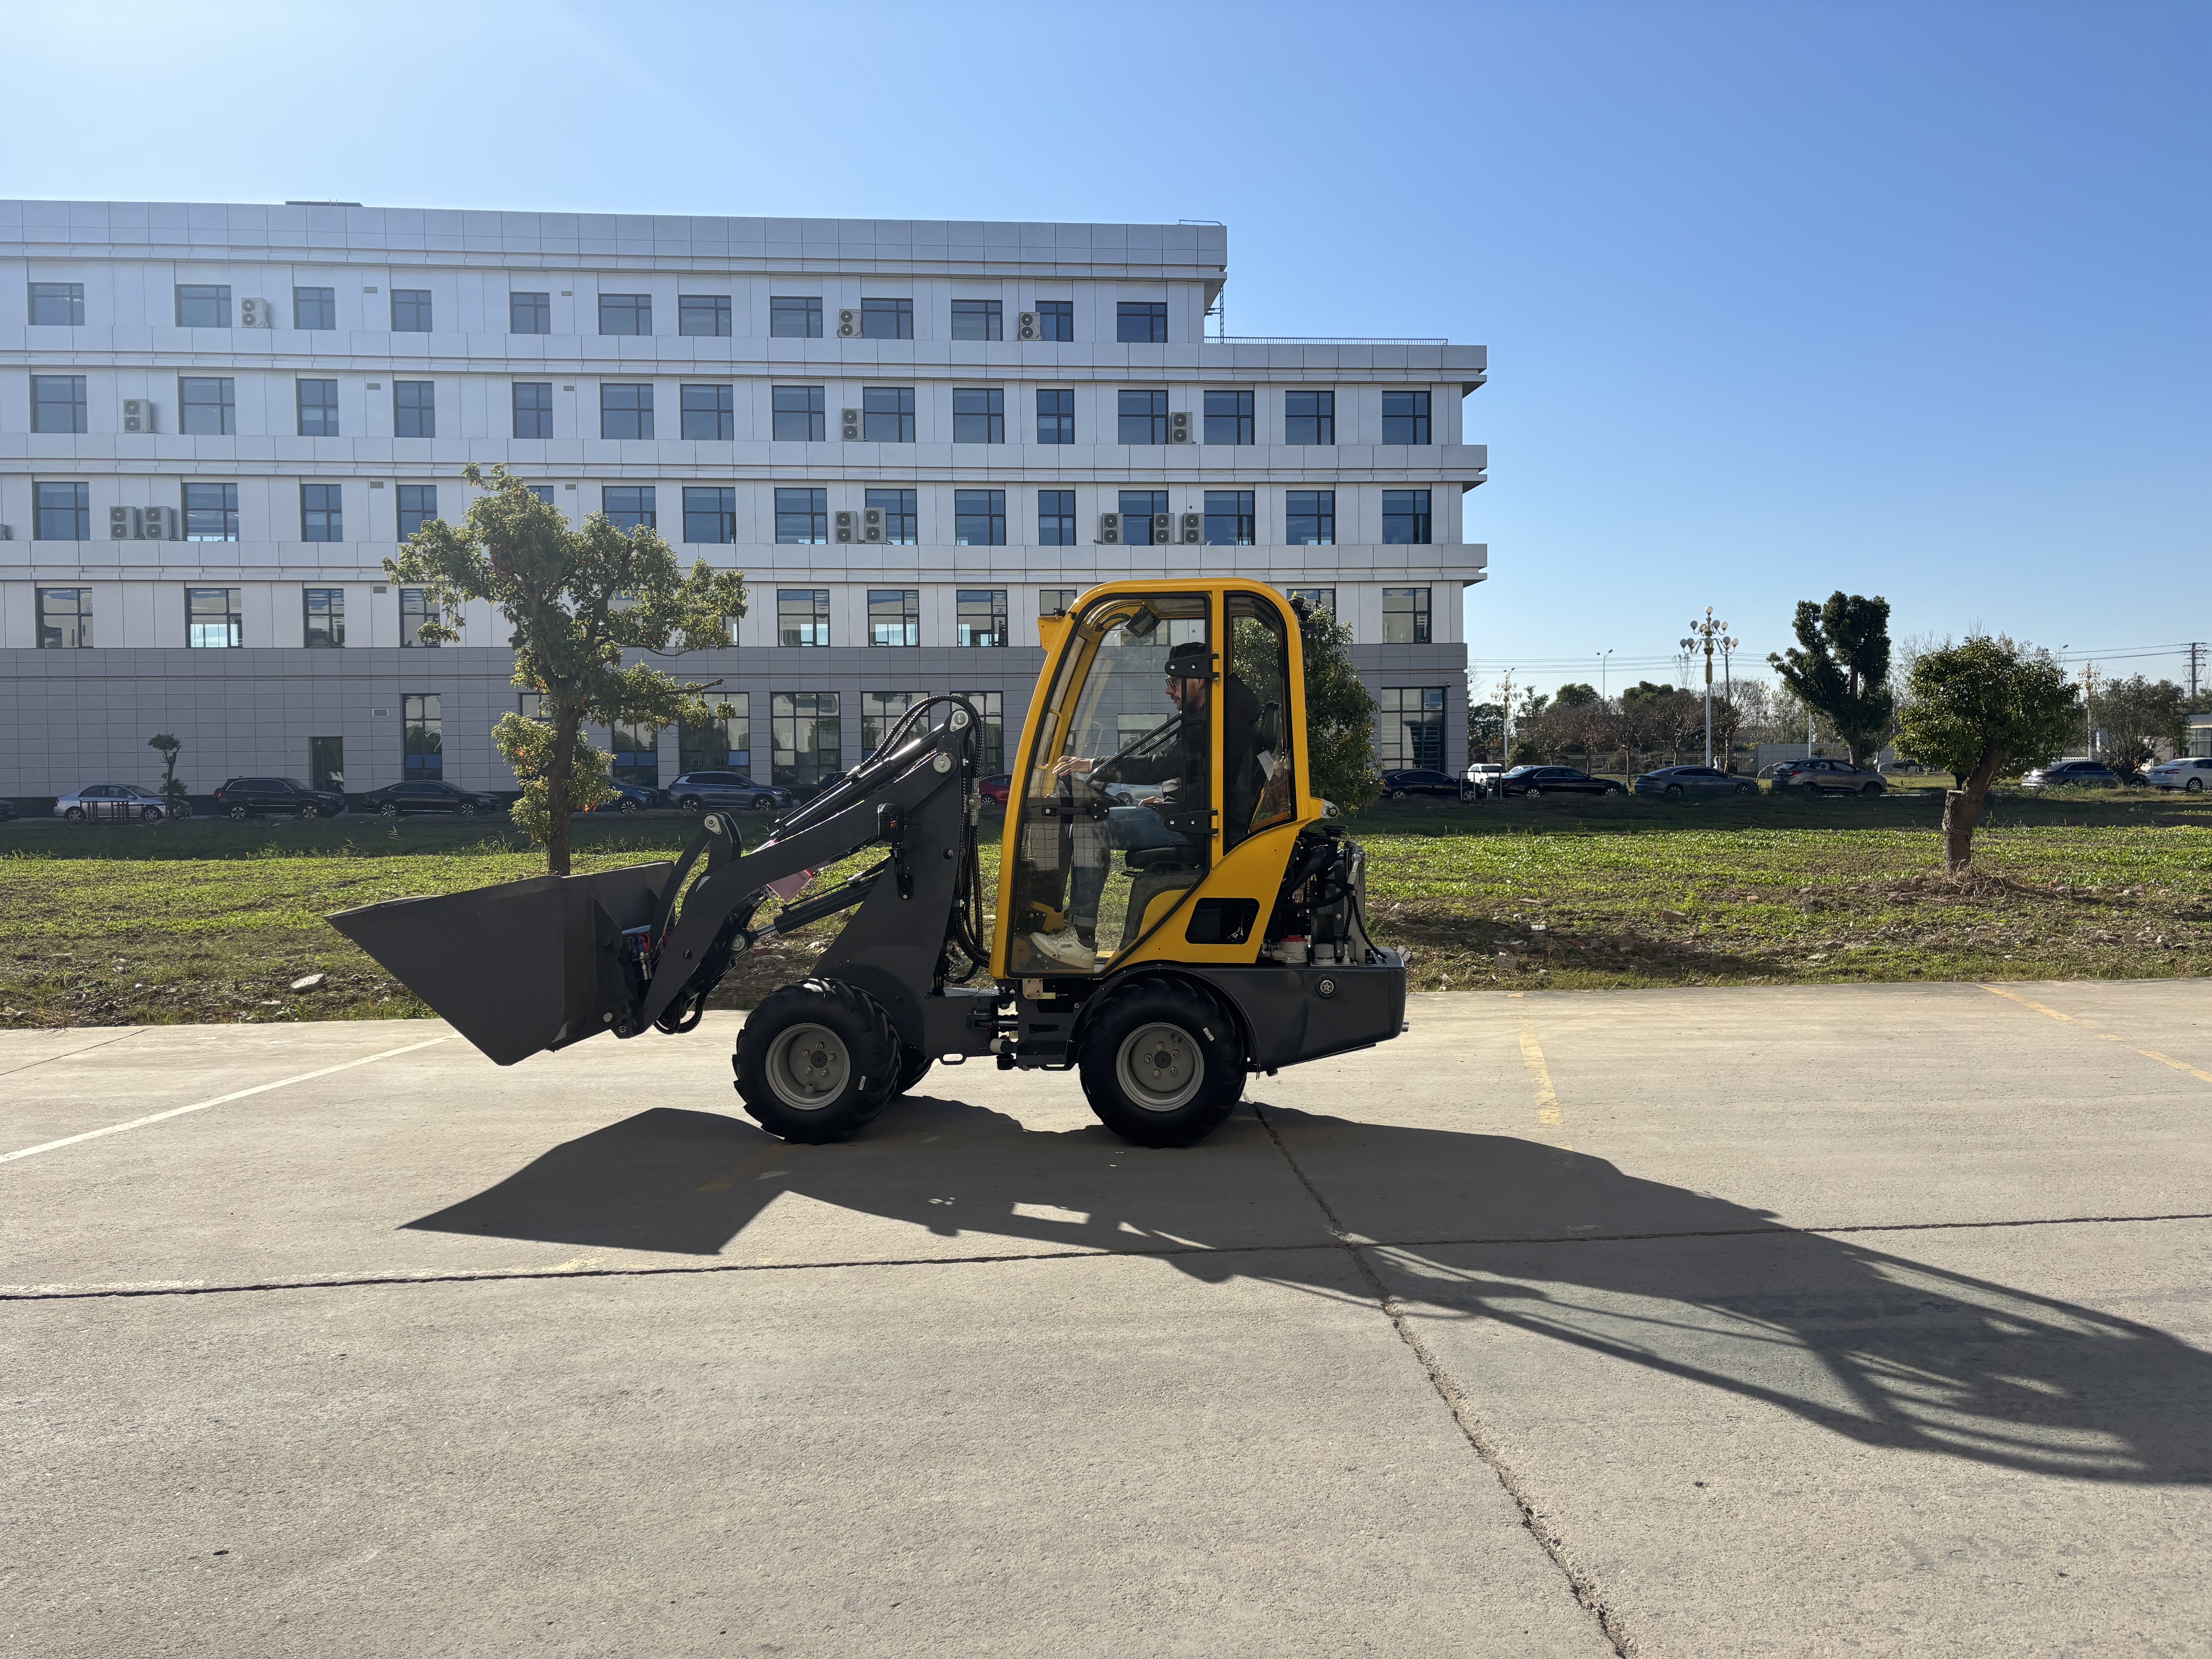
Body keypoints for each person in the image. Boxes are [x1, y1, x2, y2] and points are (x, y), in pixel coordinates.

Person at [1027, 640, 1264, 969]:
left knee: (1090, 827)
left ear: (1198, 678)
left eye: (1173, 682)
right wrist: (1169, 803)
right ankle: (1073, 927)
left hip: (1199, 827)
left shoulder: (1213, 720)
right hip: (1192, 816)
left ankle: (1081, 939)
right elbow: (1198, 774)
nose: (1170, 692)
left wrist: (1092, 764)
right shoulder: (1220, 715)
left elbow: (1161, 766)